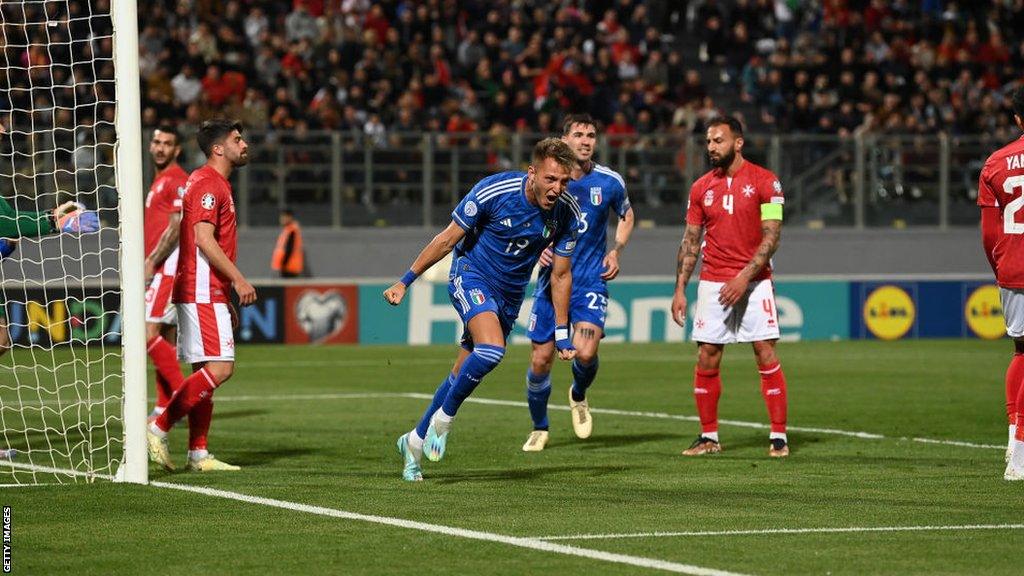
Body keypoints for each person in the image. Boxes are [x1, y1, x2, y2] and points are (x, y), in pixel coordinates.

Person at [384, 138, 581, 481]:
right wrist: (405, 281)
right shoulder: (495, 190)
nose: (557, 188)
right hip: (471, 275)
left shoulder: (567, 214)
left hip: (509, 296)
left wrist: (562, 333)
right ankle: (443, 422)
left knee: (462, 370)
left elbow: (561, 274)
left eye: (564, 181)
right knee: (491, 351)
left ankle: (413, 442)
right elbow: (447, 239)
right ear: (532, 172)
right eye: (550, 179)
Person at [670, 116, 789, 458]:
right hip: (713, 281)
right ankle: (709, 437)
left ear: (738, 143)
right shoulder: (700, 188)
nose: (711, 147)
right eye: (708, 141)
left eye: (718, 141)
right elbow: (691, 242)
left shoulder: (767, 182)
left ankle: (778, 438)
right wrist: (680, 287)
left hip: (755, 282)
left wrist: (744, 277)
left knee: (764, 351)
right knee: (707, 355)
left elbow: (772, 236)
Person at [146, 119, 257, 472]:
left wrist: (225, 295)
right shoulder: (209, 184)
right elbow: (204, 239)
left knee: (204, 370)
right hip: (201, 288)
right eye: (238, 139)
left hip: (206, 290)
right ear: (218, 148)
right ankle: (158, 426)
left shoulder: (208, 181)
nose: (244, 144)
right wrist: (238, 281)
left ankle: (198, 452)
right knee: (221, 368)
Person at [521, 114, 635, 451]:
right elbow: (525, 219)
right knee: (541, 360)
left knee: (585, 352)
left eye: (591, 135)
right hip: (551, 283)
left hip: (588, 282)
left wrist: (616, 250)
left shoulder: (610, 181)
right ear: (565, 139)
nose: (585, 141)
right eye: (578, 134)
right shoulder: (549, 179)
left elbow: (627, 215)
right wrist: (536, 248)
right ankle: (539, 427)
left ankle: (578, 394)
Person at [979, 87, 1024, 481]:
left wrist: (1002, 268)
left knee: (1021, 350)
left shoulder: (996, 162)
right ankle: (1021, 457)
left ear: (1017, 119)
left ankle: (1013, 435)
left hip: (1011, 269)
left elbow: (989, 235)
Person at [141, 124, 190, 422]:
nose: (160, 147)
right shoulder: (159, 180)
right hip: (162, 266)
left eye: (167, 143)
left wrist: (152, 261)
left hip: (167, 267)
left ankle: (185, 396)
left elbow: (176, 226)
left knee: (148, 334)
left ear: (177, 149)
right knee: (166, 342)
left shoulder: (176, 180)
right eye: (157, 142)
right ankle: (163, 408)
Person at [271, 208, 304, 278]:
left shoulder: (292, 230)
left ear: (290, 217)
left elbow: (289, 249)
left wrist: (283, 264)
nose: (281, 219)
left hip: (289, 267)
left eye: (284, 217)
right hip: (287, 267)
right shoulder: (288, 230)